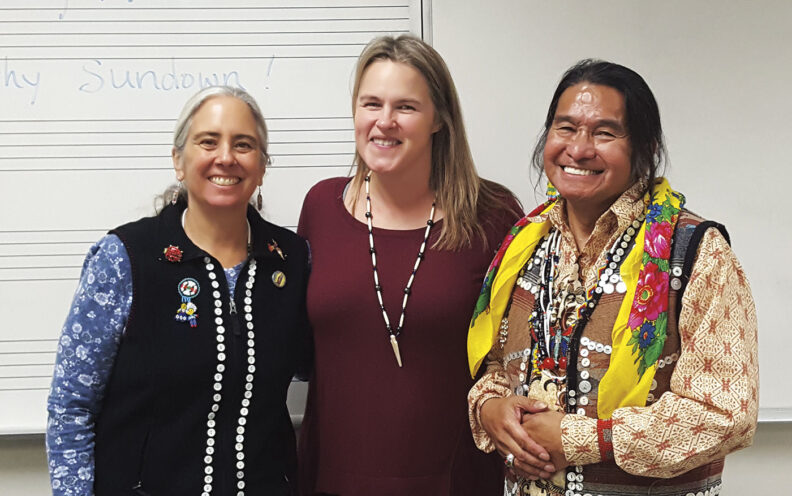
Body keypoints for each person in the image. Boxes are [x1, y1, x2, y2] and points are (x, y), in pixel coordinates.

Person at [467, 59, 758, 496]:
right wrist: (489, 407)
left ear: (648, 148)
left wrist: (581, 438)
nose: (579, 149)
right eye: (565, 128)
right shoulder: (523, 247)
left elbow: (724, 414)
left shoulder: (697, 253)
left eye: (604, 133)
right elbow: (495, 367)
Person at [46, 86, 311, 496]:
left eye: (244, 145)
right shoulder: (125, 258)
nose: (226, 157)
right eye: (208, 141)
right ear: (178, 160)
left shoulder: (291, 261)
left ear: (261, 167)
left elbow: (318, 366)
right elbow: (71, 407)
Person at [296, 35, 523, 495]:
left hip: (456, 480)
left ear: (439, 118)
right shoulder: (321, 205)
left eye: (406, 107)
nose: (384, 122)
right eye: (370, 103)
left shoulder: (493, 214)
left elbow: (516, 354)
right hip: (333, 478)